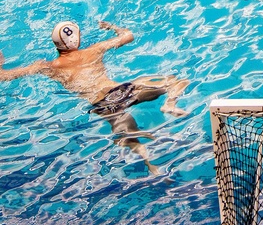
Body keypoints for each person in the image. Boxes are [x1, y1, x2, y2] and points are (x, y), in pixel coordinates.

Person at [0, 21, 189, 174]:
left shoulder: (48, 67)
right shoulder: (93, 50)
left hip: (102, 104)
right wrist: (113, 27)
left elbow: (5, 76)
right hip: (121, 91)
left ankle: (152, 167)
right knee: (173, 81)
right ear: (75, 39)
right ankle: (169, 104)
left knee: (131, 138)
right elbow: (128, 36)